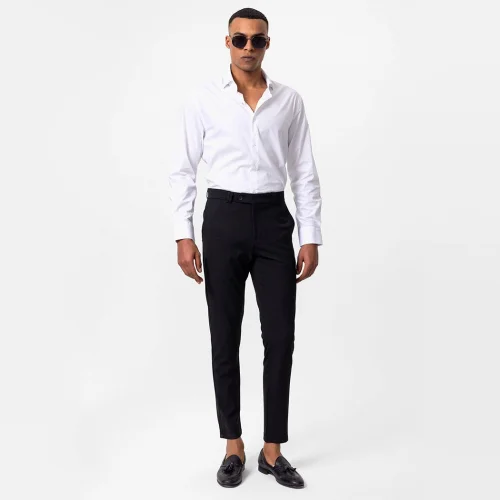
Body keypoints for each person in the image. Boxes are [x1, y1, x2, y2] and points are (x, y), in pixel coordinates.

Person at [168, 7, 322, 489]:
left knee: (280, 337)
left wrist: (310, 235)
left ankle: (273, 449)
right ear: (227, 42)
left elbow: (303, 171)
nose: (248, 47)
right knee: (224, 335)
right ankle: (232, 444)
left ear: (268, 44)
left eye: (257, 39)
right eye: (240, 39)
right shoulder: (203, 100)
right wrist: (184, 234)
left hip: (274, 220)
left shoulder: (289, 101)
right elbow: (183, 169)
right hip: (224, 218)